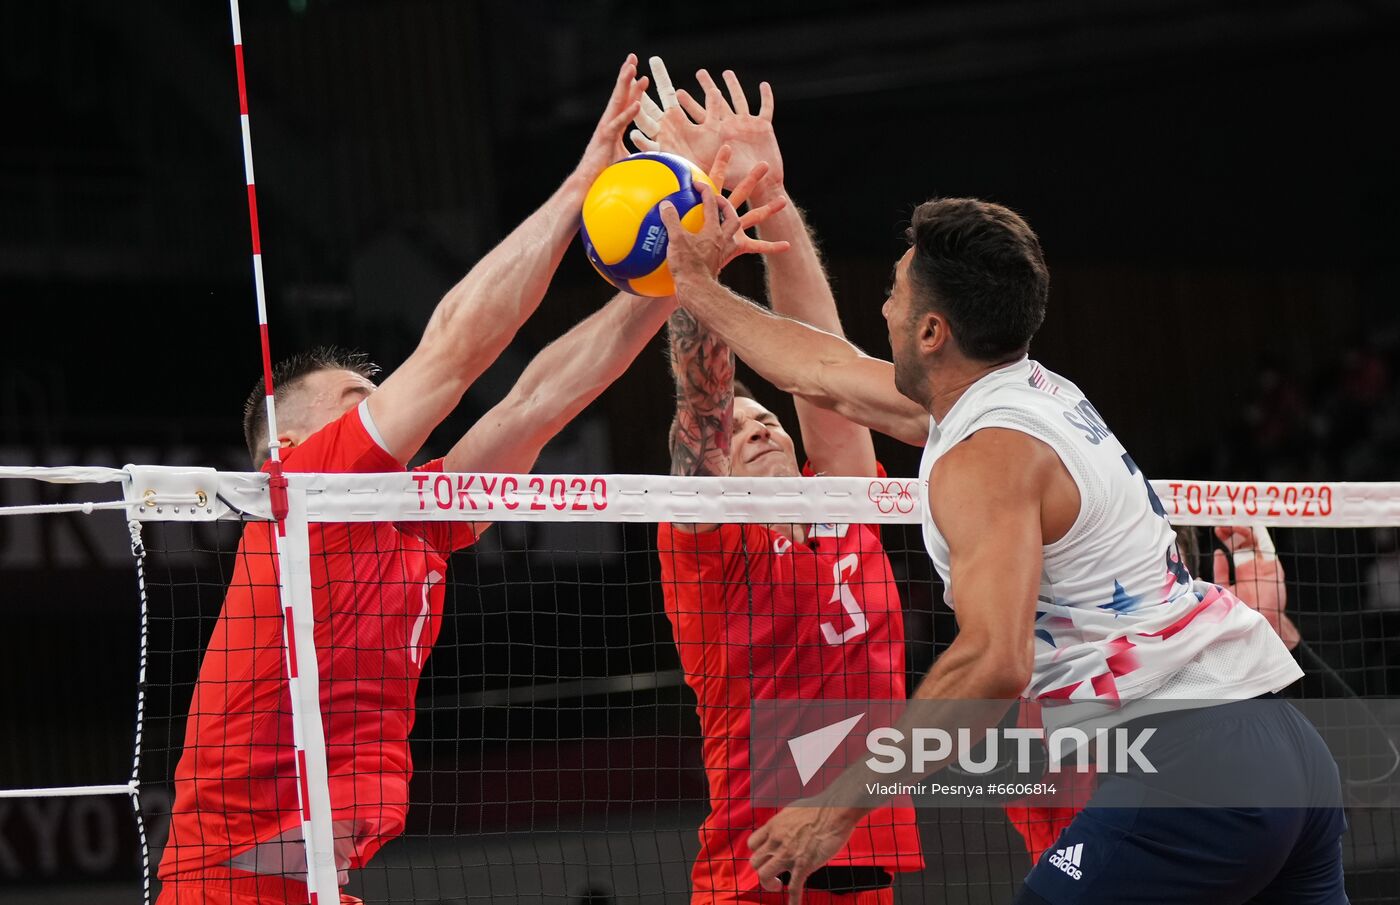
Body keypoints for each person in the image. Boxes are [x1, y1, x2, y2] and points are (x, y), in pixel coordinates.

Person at [156, 56, 787, 905]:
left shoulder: (416, 517)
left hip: (316, 880)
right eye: (359, 406)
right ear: (296, 443)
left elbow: (538, 399)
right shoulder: (304, 489)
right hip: (226, 889)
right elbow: (454, 350)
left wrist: (685, 277)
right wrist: (579, 187)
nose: (393, 428)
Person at [654, 167, 1346, 902]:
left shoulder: (987, 457)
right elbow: (821, 369)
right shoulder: (1030, 393)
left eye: (894, 291)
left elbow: (991, 663)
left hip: (1190, 766)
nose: (883, 306)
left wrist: (835, 804)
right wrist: (696, 286)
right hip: (1286, 748)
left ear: (931, 330)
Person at [637, 60, 923, 904]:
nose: (760, 422)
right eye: (742, 426)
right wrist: (693, 224)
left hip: (861, 862)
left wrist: (772, 199)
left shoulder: (842, 502)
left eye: (773, 418)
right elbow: (705, 399)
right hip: (753, 875)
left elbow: (823, 364)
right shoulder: (705, 551)